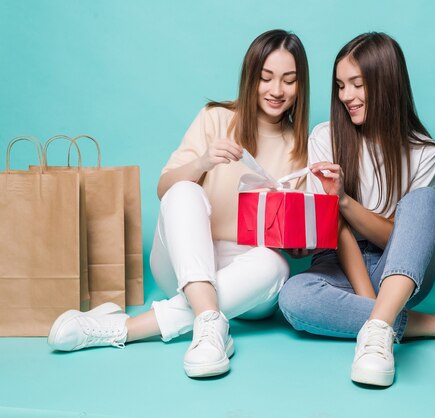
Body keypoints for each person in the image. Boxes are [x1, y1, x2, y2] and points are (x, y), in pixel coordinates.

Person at [48, 29, 310, 378]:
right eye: (266, 78)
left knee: (276, 266)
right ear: (251, 78)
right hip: (182, 262)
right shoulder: (216, 117)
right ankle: (202, 323)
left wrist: (296, 230)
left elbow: (297, 250)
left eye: (289, 81)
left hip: (249, 281)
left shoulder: (303, 146)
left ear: (300, 86)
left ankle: (130, 326)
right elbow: (164, 189)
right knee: (184, 191)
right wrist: (202, 162)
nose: (276, 91)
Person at [278, 32, 435, 387]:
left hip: (399, 270)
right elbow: (339, 231)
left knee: (423, 202)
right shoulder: (324, 137)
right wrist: (372, 304)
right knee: (294, 297)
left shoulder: (424, 151)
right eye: (340, 86)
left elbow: (405, 235)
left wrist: (344, 200)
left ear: (385, 83)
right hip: (340, 267)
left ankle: (379, 327)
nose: (346, 96)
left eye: (357, 85)